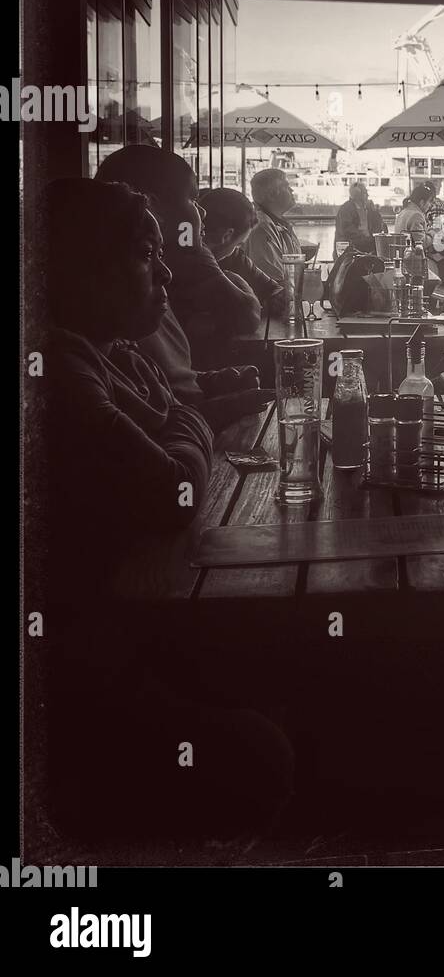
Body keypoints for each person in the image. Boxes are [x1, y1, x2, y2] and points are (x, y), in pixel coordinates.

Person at [40, 178, 294, 842]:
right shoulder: (60, 371)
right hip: (90, 676)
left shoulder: (112, 348)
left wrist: (217, 396)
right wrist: (190, 416)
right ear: (84, 268)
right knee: (264, 748)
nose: (165, 269)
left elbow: (163, 419)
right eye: (145, 253)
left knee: (282, 665)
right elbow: (175, 486)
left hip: (141, 621)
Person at [96, 147, 267, 406]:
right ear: (151, 206)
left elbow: (167, 380)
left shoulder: (153, 274)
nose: (203, 212)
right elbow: (153, 414)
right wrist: (214, 409)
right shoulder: (132, 293)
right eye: (193, 199)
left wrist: (212, 381)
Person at [198, 186, 285, 318]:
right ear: (226, 235)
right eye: (238, 244)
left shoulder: (236, 257)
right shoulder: (193, 260)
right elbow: (250, 317)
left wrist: (275, 299)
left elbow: (275, 290)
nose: (237, 249)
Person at [247, 167, 304, 290]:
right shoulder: (262, 228)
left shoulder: (277, 224)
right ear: (272, 195)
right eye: (286, 186)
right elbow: (274, 282)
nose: (292, 190)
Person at [335, 181, 386, 256]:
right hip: (351, 246)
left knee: (383, 245)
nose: (368, 195)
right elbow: (348, 231)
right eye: (365, 193)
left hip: (365, 244)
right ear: (358, 195)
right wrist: (367, 239)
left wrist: (375, 212)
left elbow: (379, 227)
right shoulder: (346, 209)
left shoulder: (368, 209)